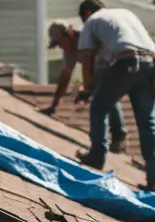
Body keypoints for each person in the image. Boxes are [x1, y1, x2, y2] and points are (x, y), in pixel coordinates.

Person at [74, 0, 155, 193]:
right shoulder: (125, 14)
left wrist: (88, 87)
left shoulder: (92, 21)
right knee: (147, 121)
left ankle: (97, 157)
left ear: (87, 13)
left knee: (98, 107)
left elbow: (86, 59)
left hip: (125, 63)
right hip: (150, 64)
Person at [42, 21, 127, 154]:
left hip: (116, 61)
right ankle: (102, 140)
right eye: (57, 45)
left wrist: (87, 89)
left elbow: (93, 68)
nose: (61, 47)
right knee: (99, 96)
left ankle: (119, 137)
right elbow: (66, 75)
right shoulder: (69, 50)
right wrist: (54, 105)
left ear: (69, 35)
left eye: (61, 42)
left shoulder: (87, 38)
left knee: (106, 94)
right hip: (98, 68)